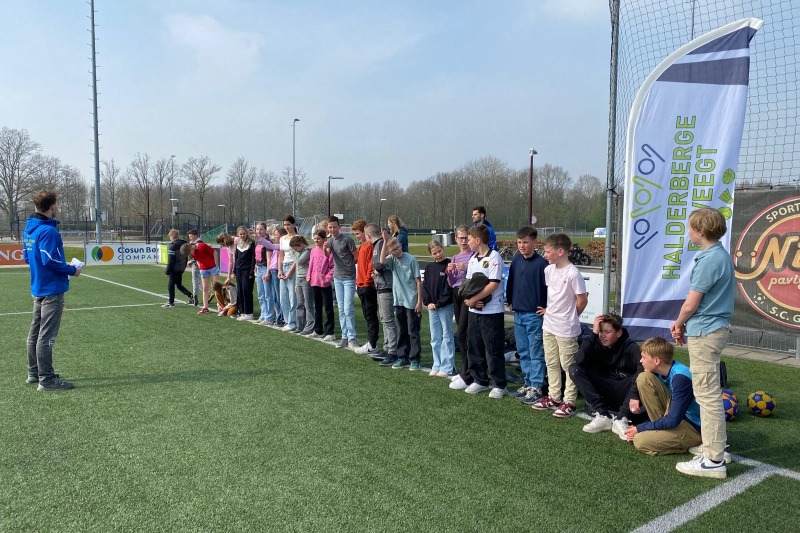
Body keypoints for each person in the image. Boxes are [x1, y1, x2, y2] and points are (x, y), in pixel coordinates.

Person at [672, 208, 735, 479]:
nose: (689, 232)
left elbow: (691, 303)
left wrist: (678, 323)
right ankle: (715, 449)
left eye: (691, 228)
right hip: (711, 329)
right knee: (708, 394)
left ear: (700, 231)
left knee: (707, 396)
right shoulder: (719, 255)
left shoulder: (710, 259)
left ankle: (713, 460)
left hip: (706, 332)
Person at [23, 189, 81, 391]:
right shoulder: (48, 231)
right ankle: (46, 379)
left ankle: (34, 372)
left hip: (38, 287)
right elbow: (49, 260)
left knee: (35, 333)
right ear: (52, 206)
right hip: (51, 289)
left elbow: (27, 257)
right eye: (57, 204)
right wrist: (71, 270)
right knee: (46, 336)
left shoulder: (29, 229)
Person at [531, 233, 588, 417]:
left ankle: (569, 402)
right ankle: (554, 397)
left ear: (560, 251)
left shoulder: (573, 273)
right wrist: (551, 312)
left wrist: (570, 317)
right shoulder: (548, 270)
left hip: (566, 328)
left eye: (548, 252)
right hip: (549, 325)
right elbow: (555, 297)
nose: (545, 255)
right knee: (551, 362)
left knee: (568, 365)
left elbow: (582, 300)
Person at [622, 337, 703, 456]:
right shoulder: (660, 370)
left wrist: (640, 428)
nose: (641, 361)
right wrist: (643, 427)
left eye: (644, 357)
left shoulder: (680, 378)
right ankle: (659, 431)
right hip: (678, 418)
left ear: (656, 361)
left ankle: (695, 442)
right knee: (643, 378)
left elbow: (673, 420)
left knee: (640, 441)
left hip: (695, 427)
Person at [569, 313, 642, 433]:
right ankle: (603, 415)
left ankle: (622, 417)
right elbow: (579, 360)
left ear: (619, 333)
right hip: (605, 388)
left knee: (644, 375)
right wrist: (593, 334)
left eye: (607, 332)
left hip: (625, 391)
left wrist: (634, 395)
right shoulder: (595, 342)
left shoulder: (630, 346)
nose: (602, 336)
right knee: (575, 369)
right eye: (600, 331)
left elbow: (643, 369)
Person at [462, 224, 507, 398]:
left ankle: (499, 384)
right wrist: (471, 301)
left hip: (492, 312)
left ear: (478, 240)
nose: (467, 242)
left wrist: (474, 299)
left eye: (469, 239)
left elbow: (493, 284)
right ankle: (480, 380)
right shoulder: (473, 259)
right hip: (475, 312)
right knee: (474, 346)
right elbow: (468, 284)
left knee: (493, 349)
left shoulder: (495, 256)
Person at [506, 226, 547, 404]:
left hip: (534, 315)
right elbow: (511, 281)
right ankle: (528, 382)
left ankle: (537, 386)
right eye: (519, 242)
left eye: (525, 242)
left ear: (534, 242)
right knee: (523, 352)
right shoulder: (516, 259)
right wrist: (509, 300)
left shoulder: (542, 264)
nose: (522, 246)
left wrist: (546, 307)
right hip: (519, 314)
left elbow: (549, 289)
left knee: (535, 352)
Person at [379, 235, 422, 370]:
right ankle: (402, 357)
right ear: (390, 252)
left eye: (398, 247)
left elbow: (418, 281)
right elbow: (381, 261)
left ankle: (415, 359)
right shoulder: (392, 260)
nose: (397, 251)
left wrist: (419, 301)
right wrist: (385, 241)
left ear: (401, 245)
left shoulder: (411, 259)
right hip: (399, 301)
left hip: (411, 301)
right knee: (402, 330)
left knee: (412, 330)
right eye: (394, 250)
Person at [367, 223, 399, 365]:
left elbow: (381, 263)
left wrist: (377, 269)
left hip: (386, 286)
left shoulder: (381, 244)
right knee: (384, 319)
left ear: (368, 235)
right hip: (381, 285)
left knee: (388, 319)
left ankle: (393, 351)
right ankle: (387, 348)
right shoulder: (378, 245)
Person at [447, 225, 475, 390]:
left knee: (463, 333)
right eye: (461, 238)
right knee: (462, 333)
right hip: (457, 293)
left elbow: (477, 276)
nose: (463, 241)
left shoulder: (474, 256)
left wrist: (466, 268)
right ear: (456, 239)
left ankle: (468, 373)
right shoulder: (455, 257)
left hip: (468, 294)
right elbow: (452, 282)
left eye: (466, 238)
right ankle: (465, 369)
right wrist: (449, 272)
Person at [422, 240, 455, 377]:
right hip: (432, 308)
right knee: (435, 337)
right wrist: (428, 302)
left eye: (439, 251)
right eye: (434, 253)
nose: (438, 255)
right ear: (431, 254)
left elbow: (450, 287)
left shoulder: (449, 264)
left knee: (447, 336)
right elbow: (425, 286)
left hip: (445, 306)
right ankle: (437, 364)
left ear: (443, 248)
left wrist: (439, 303)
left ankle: (447, 367)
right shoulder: (429, 268)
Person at [327, 216, 358, 349]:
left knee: (348, 308)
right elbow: (326, 256)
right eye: (330, 227)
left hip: (349, 277)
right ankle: (344, 337)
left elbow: (356, 257)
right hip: (337, 278)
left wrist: (348, 267)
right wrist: (325, 247)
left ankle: (352, 338)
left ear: (339, 227)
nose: (332, 229)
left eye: (334, 227)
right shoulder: (330, 241)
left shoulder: (347, 240)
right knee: (341, 309)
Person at [352, 220, 380, 355]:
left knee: (371, 316)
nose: (356, 236)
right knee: (367, 315)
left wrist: (367, 282)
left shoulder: (370, 246)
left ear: (365, 232)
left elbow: (370, 265)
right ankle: (371, 342)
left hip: (367, 286)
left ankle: (372, 344)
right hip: (361, 285)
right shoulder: (362, 247)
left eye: (358, 233)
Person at [307, 229, 335, 340]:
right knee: (317, 307)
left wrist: (327, 278)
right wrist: (309, 275)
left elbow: (332, 267)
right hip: (314, 282)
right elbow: (311, 264)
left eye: (318, 238)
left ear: (324, 239)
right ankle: (318, 330)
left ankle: (330, 332)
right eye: (314, 238)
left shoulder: (328, 251)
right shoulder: (313, 250)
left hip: (325, 284)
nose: (316, 240)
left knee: (328, 307)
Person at [180, 238, 219, 314]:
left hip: (213, 268)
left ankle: (220, 305)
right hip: (203, 269)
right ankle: (205, 307)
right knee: (205, 288)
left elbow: (214, 253)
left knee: (216, 287)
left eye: (189, 252)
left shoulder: (202, 246)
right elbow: (197, 259)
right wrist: (200, 266)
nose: (190, 254)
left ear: (191, 248)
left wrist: (216, 265)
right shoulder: (192, 253)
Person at [254, 222, 279, 325]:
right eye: (257, 229)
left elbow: (269, 259)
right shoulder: (258, 242)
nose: (259, 231)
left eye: (261, 229)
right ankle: (263, 314)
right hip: (259, 269)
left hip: (265, 269)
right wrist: (256, 265)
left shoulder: (268, 242)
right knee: (261, 294)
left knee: (268, 295)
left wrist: (268, 272)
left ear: (265, 230)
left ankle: (269, 317)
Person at [162, 228, 194, 308]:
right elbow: (186, 256)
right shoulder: (184, 244)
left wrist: (167, 272)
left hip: (175, 269)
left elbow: (171, 261)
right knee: (179, 285)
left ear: (172, 236)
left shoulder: (173, 246)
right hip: (181, 268)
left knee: (170, 285)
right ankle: (191, 296)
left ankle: (171, 302)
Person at [278, 216, 300, 331]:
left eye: (288, 224)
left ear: (293, 224)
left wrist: (291, 271)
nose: (287, 227)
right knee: (283, 297)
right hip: (284, 266)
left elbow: (298, 256)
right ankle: (287, 321)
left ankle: (293, 322)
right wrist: (280, 270)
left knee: (292, 296)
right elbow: (281, 255)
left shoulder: (298, 238)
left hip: (293, 266)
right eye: (285, 225)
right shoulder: (282, 238)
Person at [291, 235, 315, 335]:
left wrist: (293, 254)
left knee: (308, 303)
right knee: (300, 303)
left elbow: (300, 262)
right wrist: (296, 284)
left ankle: (309, 326)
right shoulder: (299, 252)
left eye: (296, 248)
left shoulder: (308, 251)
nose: (295, 250)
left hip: (306, 278)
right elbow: (297, 267)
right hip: (299, 278)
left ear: (300, 244)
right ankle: (300, 325)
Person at [231, 226, 256, 321]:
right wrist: (234, 271)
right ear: (238, 235)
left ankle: (248, 313)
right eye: (240, 234)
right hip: (239, 270)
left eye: (244, 233)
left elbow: (253, 258)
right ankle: (241, 312)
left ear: (247, 233)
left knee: (247, 291)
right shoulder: (238, 244)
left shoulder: (251, 243)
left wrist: (251, 271)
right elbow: (236, 258)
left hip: (247, 270)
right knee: (240, 291)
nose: (242, 235)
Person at [268, 226, 287, 326]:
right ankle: (279, 316)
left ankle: (281, 317)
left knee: (280, 296)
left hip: (277, 270)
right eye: (274, 234)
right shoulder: (277, 245)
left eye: (276, 234)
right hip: (273, 270)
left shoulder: (282, 246)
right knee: (275, 296)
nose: (275, 236)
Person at [187, 229, 202, 305]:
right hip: (196, 263)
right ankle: (209, 292)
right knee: (197, 280)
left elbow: (199, 256)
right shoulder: (192, 243)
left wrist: (192, 261)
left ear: (196, 236)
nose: (190, 238)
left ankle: (194, 297)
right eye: (189, 236)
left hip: (197, 264)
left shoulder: (199, 243)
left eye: (191, 236)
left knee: (195, 281)